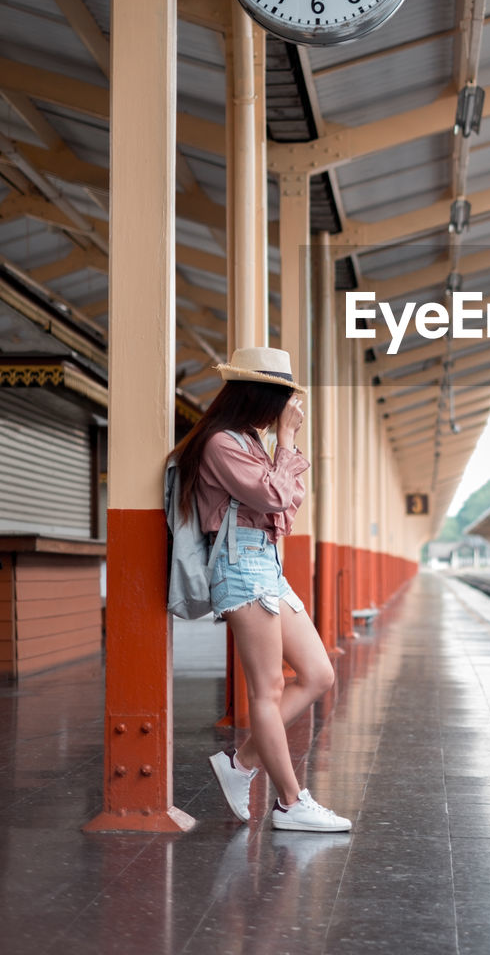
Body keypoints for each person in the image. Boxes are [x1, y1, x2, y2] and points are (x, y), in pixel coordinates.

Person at [168, 345, 351, 833]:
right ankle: (291, 803)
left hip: (267, 565)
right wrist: (287, 442)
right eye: (282, 401)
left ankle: (240, 763)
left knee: (317, 673)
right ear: (258, 396)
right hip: (240, 567)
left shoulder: (250, 442)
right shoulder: (220, 443)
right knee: (267, 689)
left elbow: (284, 510)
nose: (286, 412)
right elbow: (275, 495)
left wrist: (279, 462)